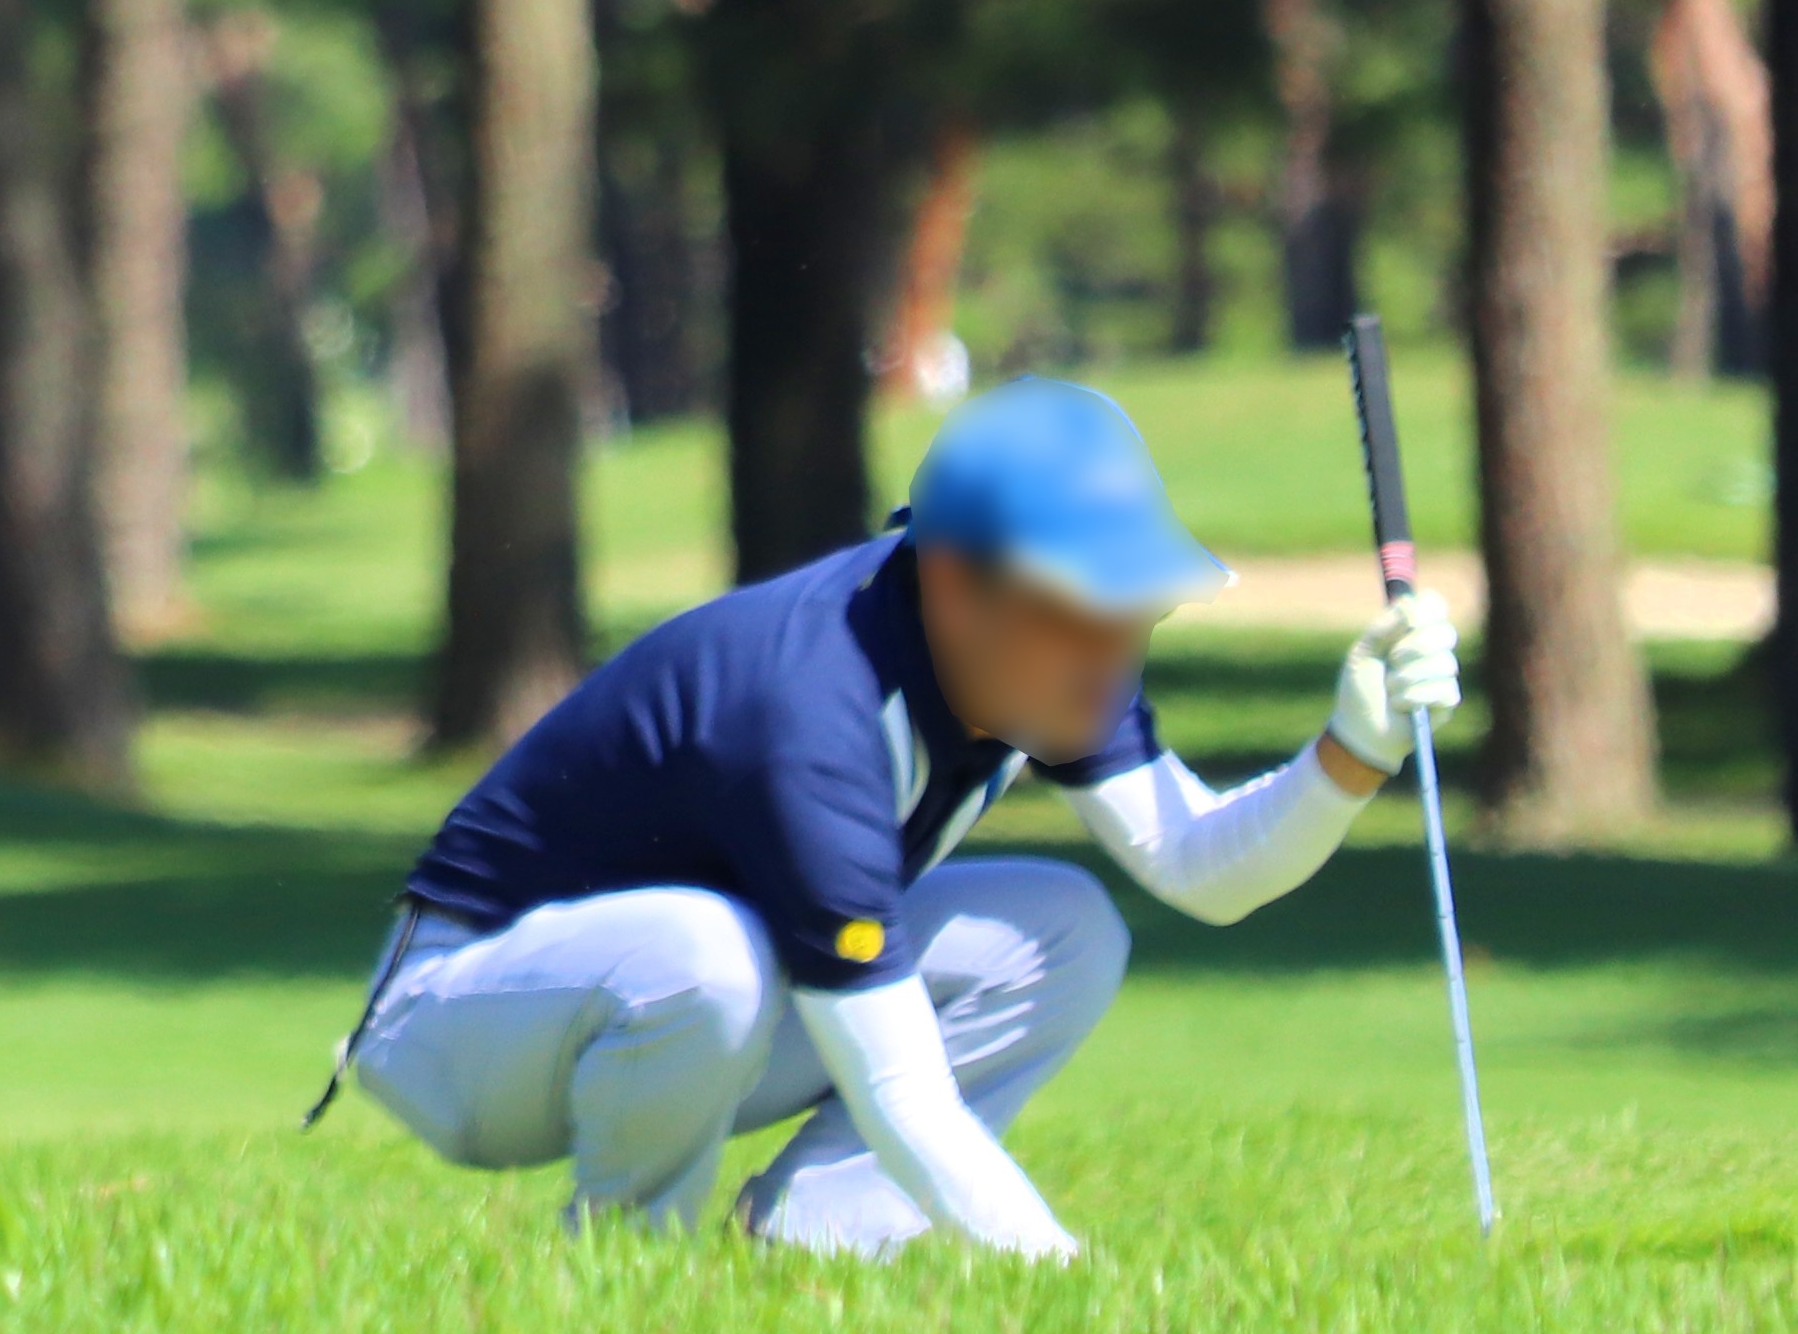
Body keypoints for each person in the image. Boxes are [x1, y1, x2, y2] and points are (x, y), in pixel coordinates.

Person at [337, 376, 1461, 1257]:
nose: (1116, 650)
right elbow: (898, 1088)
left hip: (665, 1010)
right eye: (1083, 606)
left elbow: (1198, 864)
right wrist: (1069, 1286)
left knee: (1067, 929)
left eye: (1136, 610)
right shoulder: (808, 709)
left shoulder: (1050, 663)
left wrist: (1350, 750)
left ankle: (820, 1250)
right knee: (711, 956)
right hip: (458, 1018)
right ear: (956, 585)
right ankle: (628, 1275)